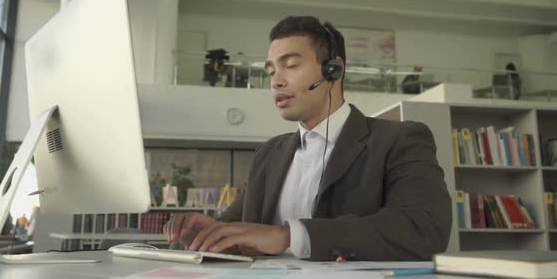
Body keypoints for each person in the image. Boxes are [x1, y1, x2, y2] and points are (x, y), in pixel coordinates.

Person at [164, 16, 452, 261]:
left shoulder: (400, 139)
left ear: (333, 70)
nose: (276, 80)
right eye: (271, 70)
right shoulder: (268, 153)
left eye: (290, 65)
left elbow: (424, 229)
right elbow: (239, 227)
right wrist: (208, 231)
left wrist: (290, 236)